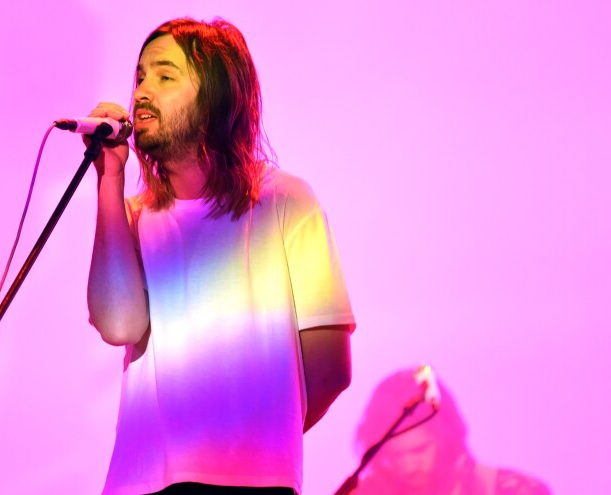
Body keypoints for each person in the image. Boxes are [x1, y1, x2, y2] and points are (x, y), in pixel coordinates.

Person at [85, 18, 356, 495]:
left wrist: (249, 448)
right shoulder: (133, 216)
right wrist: (109, 177)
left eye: (165, 76)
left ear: (215, 98)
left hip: (255, 484)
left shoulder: (286, 202)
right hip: (141, 483)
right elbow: (118, 326)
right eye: (141, 77)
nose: (143, 92)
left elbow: (330, 367)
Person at [351, 369, 552, 495]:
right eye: (395, 456)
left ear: (447, 438)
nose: (409, 467)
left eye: (419, 450)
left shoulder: (513, 491)